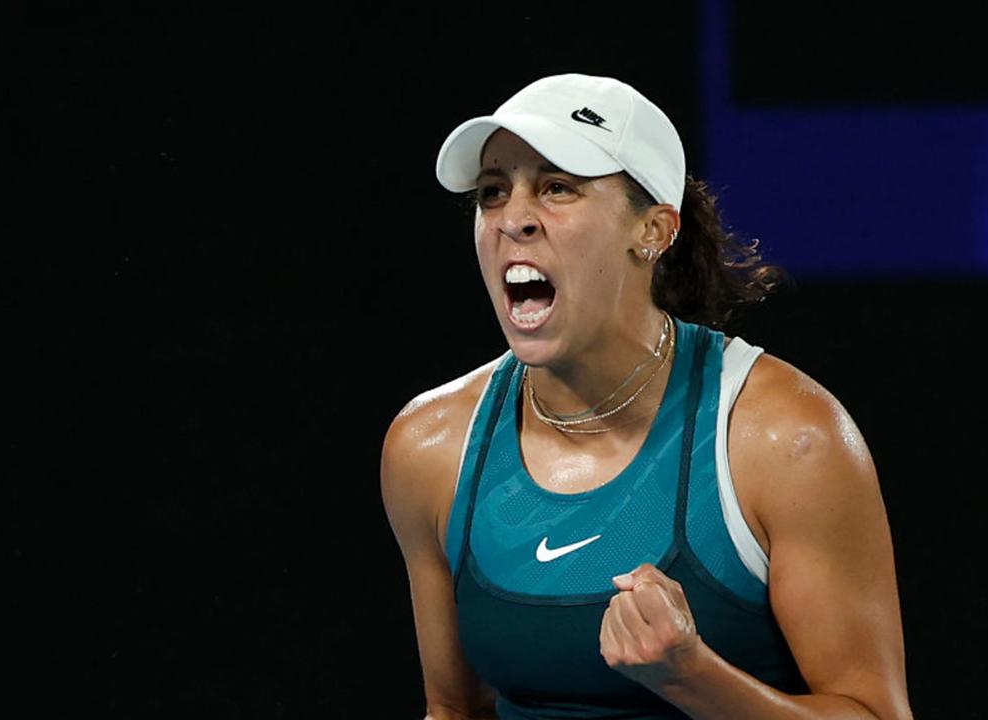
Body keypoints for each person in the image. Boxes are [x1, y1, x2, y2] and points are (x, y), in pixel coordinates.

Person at [380, 73, 912, 720]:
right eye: (493, 192)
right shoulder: (430, 448)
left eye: (556, 188)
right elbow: (452, 710)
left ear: (655, 231)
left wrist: (692, 676)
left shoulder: (786, 439)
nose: (512, 219)